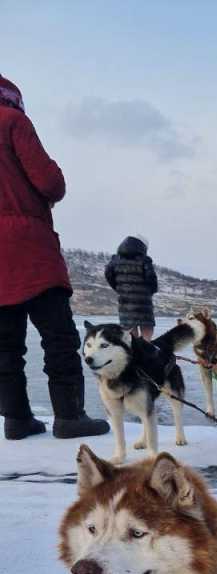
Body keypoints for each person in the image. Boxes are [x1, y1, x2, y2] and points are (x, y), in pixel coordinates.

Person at [0, 74, 109, 440]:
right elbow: (49, 183)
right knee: (58, 335)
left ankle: (15, 419)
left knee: (5, 343)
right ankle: (69, 416)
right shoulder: (13, 121)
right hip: (28, 246)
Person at [105, 236, 158, 340]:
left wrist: (120, 289)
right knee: (146, 331)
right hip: (144, 302)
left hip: (125, 302)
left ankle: (135, 354)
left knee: (130, 334)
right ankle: (146, 352)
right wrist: (151, 291)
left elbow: (108, 275)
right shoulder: (144, 260)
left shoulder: (115, 261)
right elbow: (151, 279)